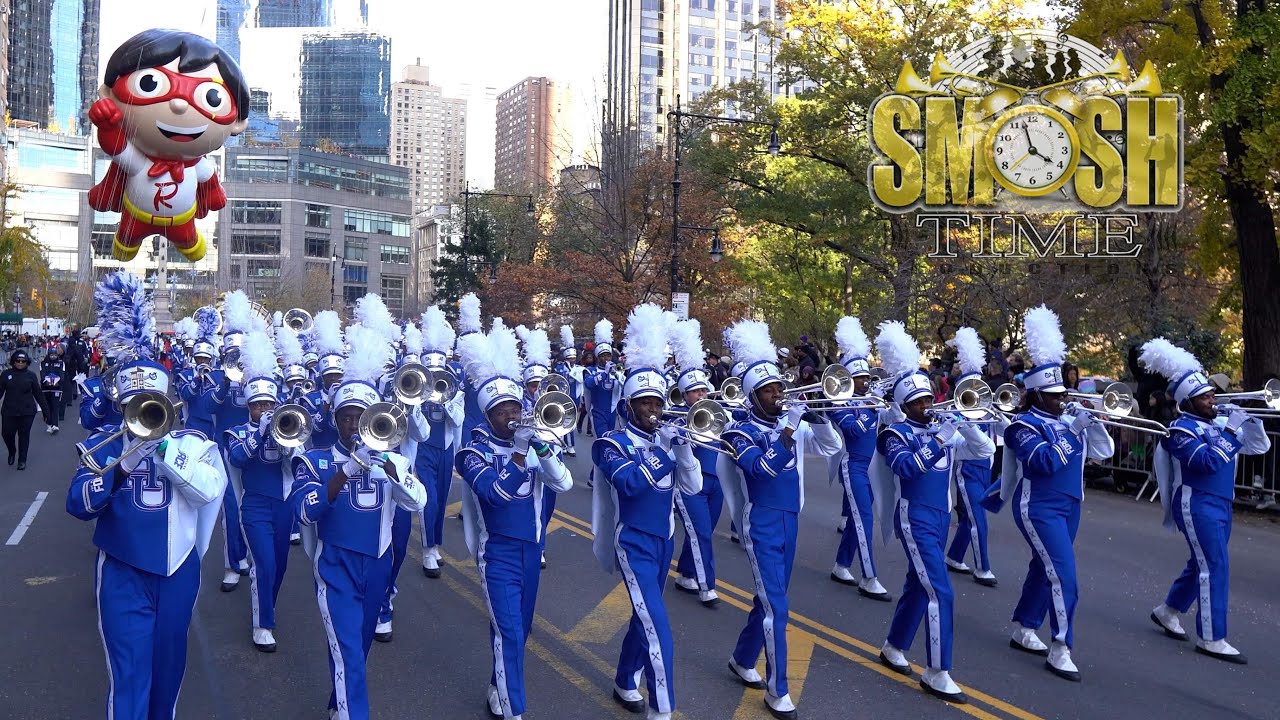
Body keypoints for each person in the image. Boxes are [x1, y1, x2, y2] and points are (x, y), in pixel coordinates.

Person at [66, 271, 227, 719]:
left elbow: (209, 491)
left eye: (150, 404)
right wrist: (122, 467)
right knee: (129, 678)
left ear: (168, 404)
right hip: (122, 572)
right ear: (122, 408)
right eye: (133, 406)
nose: (142, 414)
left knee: (168, 675)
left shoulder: (193, 443)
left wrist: (165, 450)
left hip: (177, 572)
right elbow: (77, 504)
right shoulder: (104, 446)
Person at [290, 324, 427, 720]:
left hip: (378, 565)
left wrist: (392, 470)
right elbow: (304, 511)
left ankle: (340, 705)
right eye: (346, 418)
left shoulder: (394, 459)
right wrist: (348, 469)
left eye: (360, 417)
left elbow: (418, 501)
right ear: (335, 420)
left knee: (358, 647)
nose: (353, 425)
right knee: (348, 651)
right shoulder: (313, 460)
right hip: (336, 566)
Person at [719, 319, 842, 720]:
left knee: (770, 598)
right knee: (778, 607)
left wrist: (818, 414)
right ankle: (778, 690)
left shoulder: (794, 422)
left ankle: (742, 658)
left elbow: (831, 447)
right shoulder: (738, 432)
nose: (777, 395)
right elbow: (763, 470)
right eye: (768, 391)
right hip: (762, 521)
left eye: (778, 388)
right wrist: (789, 429)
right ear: (752, 396)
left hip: (791, 519)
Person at [455, 319, 572, 720]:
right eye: (500, 410)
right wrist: (520, 454)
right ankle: (512, 709)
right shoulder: (472, 452)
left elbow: (564, 482)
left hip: (532, 550)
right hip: (498, 554)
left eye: (514, 408)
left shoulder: (533, 442)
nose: (510, 415)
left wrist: (542, 447)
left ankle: (497, 686)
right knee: (508, 632)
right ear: (487, 415)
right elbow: (496, 495)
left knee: (519, 631)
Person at [873, 321, 993, 703]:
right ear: (903, 406)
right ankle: (938, 671)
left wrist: (964, 424)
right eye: (917, 403)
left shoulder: (943, 429)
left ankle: (894, 646)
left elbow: (986, 451)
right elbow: (907, 468)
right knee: (940, 591)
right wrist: (940, 438)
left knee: (917, 583)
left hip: (941, 518)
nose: (926, 407)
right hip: (915, 517)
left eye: (928, 400)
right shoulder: (894, 435)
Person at [592, 304, 700, 720]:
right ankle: (663, 709)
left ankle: (625, 679)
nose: (654, 409)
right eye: (644, 403)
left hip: (664, 539)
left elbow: (694, 486)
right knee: (658, 628)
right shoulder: (611, 443)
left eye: (657, 402)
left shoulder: (669, 438)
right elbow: (631, 485)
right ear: (628, 406)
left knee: (643, 619)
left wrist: (684, 449)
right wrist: (663, 452)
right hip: (633, 541)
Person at [998, 306, 1114, 682]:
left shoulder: (1068, 419)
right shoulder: (1022, 425)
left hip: (1070, 505)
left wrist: (1091, 423)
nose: (1062, 399)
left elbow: (1105, 452)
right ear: (1035, 396)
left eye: (1063, 393)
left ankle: (1024, 626)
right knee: (1064, 576)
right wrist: (1071, 430)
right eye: (1053, 395)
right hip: (1038, 506)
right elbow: (1044, 462)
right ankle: (1061, 647)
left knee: (1043, 565)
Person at [1141, 339, 1270, 664]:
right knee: (1214, 565)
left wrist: (1250, 421)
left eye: (1212, 395)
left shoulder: (1219, 424)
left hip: (1222, 503)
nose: (1213, 401)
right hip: (1196, 503)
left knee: (1203, 562)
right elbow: (1206, 463)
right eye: (1205, 398)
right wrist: (1230, 431)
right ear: (1188, 402)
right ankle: (1212, 637)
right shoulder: (1179, 431)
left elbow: (1259, 447)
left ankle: (1168, 610)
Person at [225, 331, 292, 653]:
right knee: (263, 564)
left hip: (285, 505)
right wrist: (261, 433)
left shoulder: (287, 427)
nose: (263, 409)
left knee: (279, 566)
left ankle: (268, 605)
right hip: (254, 506)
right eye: (258, 405)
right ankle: (263, 624)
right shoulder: (237, 432)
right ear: (249, 407)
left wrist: (287, 442)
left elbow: (297, 463)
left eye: (268, 404)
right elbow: (238, 459)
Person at [829, 317, 892, 601]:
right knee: (865, 519)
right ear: (849, 381)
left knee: (859, 519)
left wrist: (889, 405)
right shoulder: (839, 402)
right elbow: (853, 430)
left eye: (867, 378)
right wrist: (870, 408)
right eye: (860, 378)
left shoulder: (872, 401)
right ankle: (869, 577)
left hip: (873, 468)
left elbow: (894, 420)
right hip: (853, 466)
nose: (866, 382)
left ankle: (841, 565)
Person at [668, 319, 726, 608]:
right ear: (685, 395)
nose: (701, 396)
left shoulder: (717, 411)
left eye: (703, 391)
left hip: (716, 480)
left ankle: (686, 574)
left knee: (702, 532)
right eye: (695, 392)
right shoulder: (675, 419)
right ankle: (707, 587)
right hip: (690, 484)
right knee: (701, 533)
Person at [944, 327, 1004, 587]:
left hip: (986, 470)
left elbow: (1005, 433)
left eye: (980, 388)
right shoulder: (957, 412)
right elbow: (961, 439)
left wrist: (1000, 416)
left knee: (971, 517)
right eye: (971, 390)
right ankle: (983, 568)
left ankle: (954, 557)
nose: (976, 394)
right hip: (967, 469)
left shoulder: (987, 409)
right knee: (979, 521)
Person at [415, 306, 463, 579]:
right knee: (429, 500)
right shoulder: (414, 389)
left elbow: (457, 421)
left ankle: (435, 545)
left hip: (445, 449)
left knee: (442, 499)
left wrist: (445, 401)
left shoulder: (454, 390)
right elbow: (413, 427)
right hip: (423, 450)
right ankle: (426, 550)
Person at [0, 349, 50, 469]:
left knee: (24, 435)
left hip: (27, 411)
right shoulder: (6, 374)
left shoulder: (31, 376)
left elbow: (38, 394)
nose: (20, 363)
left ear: (27, 362)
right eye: (18, 361)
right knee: (6, 434)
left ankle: (22, 460)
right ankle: (12, 450)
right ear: (13, 361)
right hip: (9, 411)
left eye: (23, 361)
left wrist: (46, 411)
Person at [39, 343, 67, 433]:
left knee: (55, 406)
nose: (53, 356)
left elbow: (62, 375)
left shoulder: (61, 363)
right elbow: (42, 374)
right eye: (51, 355)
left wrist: (57, 382)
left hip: (57, 388)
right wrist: (46, 382)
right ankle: (49, 424)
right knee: (47, 407)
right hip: (45, 388)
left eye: (55, 355)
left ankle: (55, 425)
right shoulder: (43, 363)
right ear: (48, 355)